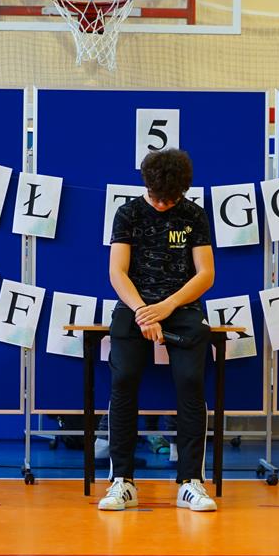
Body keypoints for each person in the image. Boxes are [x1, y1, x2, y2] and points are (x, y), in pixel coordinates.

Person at [99, 148, 216, 512]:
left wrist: (168, 306)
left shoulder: (194, 215)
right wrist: (143, 312)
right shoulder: (128, 213)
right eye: (157, 198)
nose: (163, 204)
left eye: (171, 199)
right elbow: (117, 271)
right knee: (123, 381)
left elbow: (206, 274)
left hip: (183, 307)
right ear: (146, 186)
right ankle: (122, 480)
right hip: (135, 307)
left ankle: (190, 482)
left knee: (191, 382)